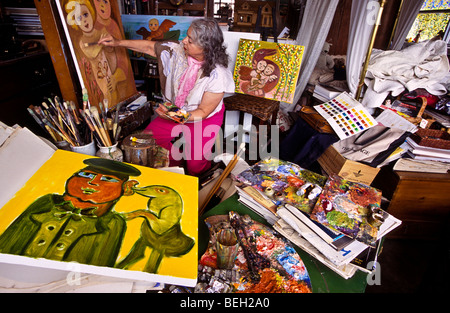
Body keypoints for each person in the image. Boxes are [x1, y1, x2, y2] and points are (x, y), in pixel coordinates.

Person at [98, 18, 235, 176]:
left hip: (204, 118)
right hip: (177, 109)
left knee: (195, 164)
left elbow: (203, 111)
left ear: (205, 47)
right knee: (148, 139)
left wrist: (173, 114)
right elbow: (150, 47)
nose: (183, 41)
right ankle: (175, 165)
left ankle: (198, 179)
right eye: (186, 36)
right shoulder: (176, 51)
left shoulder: (218, 75)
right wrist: (117, 42)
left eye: (190, 40)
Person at [0, 158, 141, 267]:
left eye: (108, 179)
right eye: (85, 174)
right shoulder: (46, 202)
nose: (91, 182)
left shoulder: (113, 222)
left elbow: (99, 264)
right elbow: (9, 241)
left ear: (127, 188)